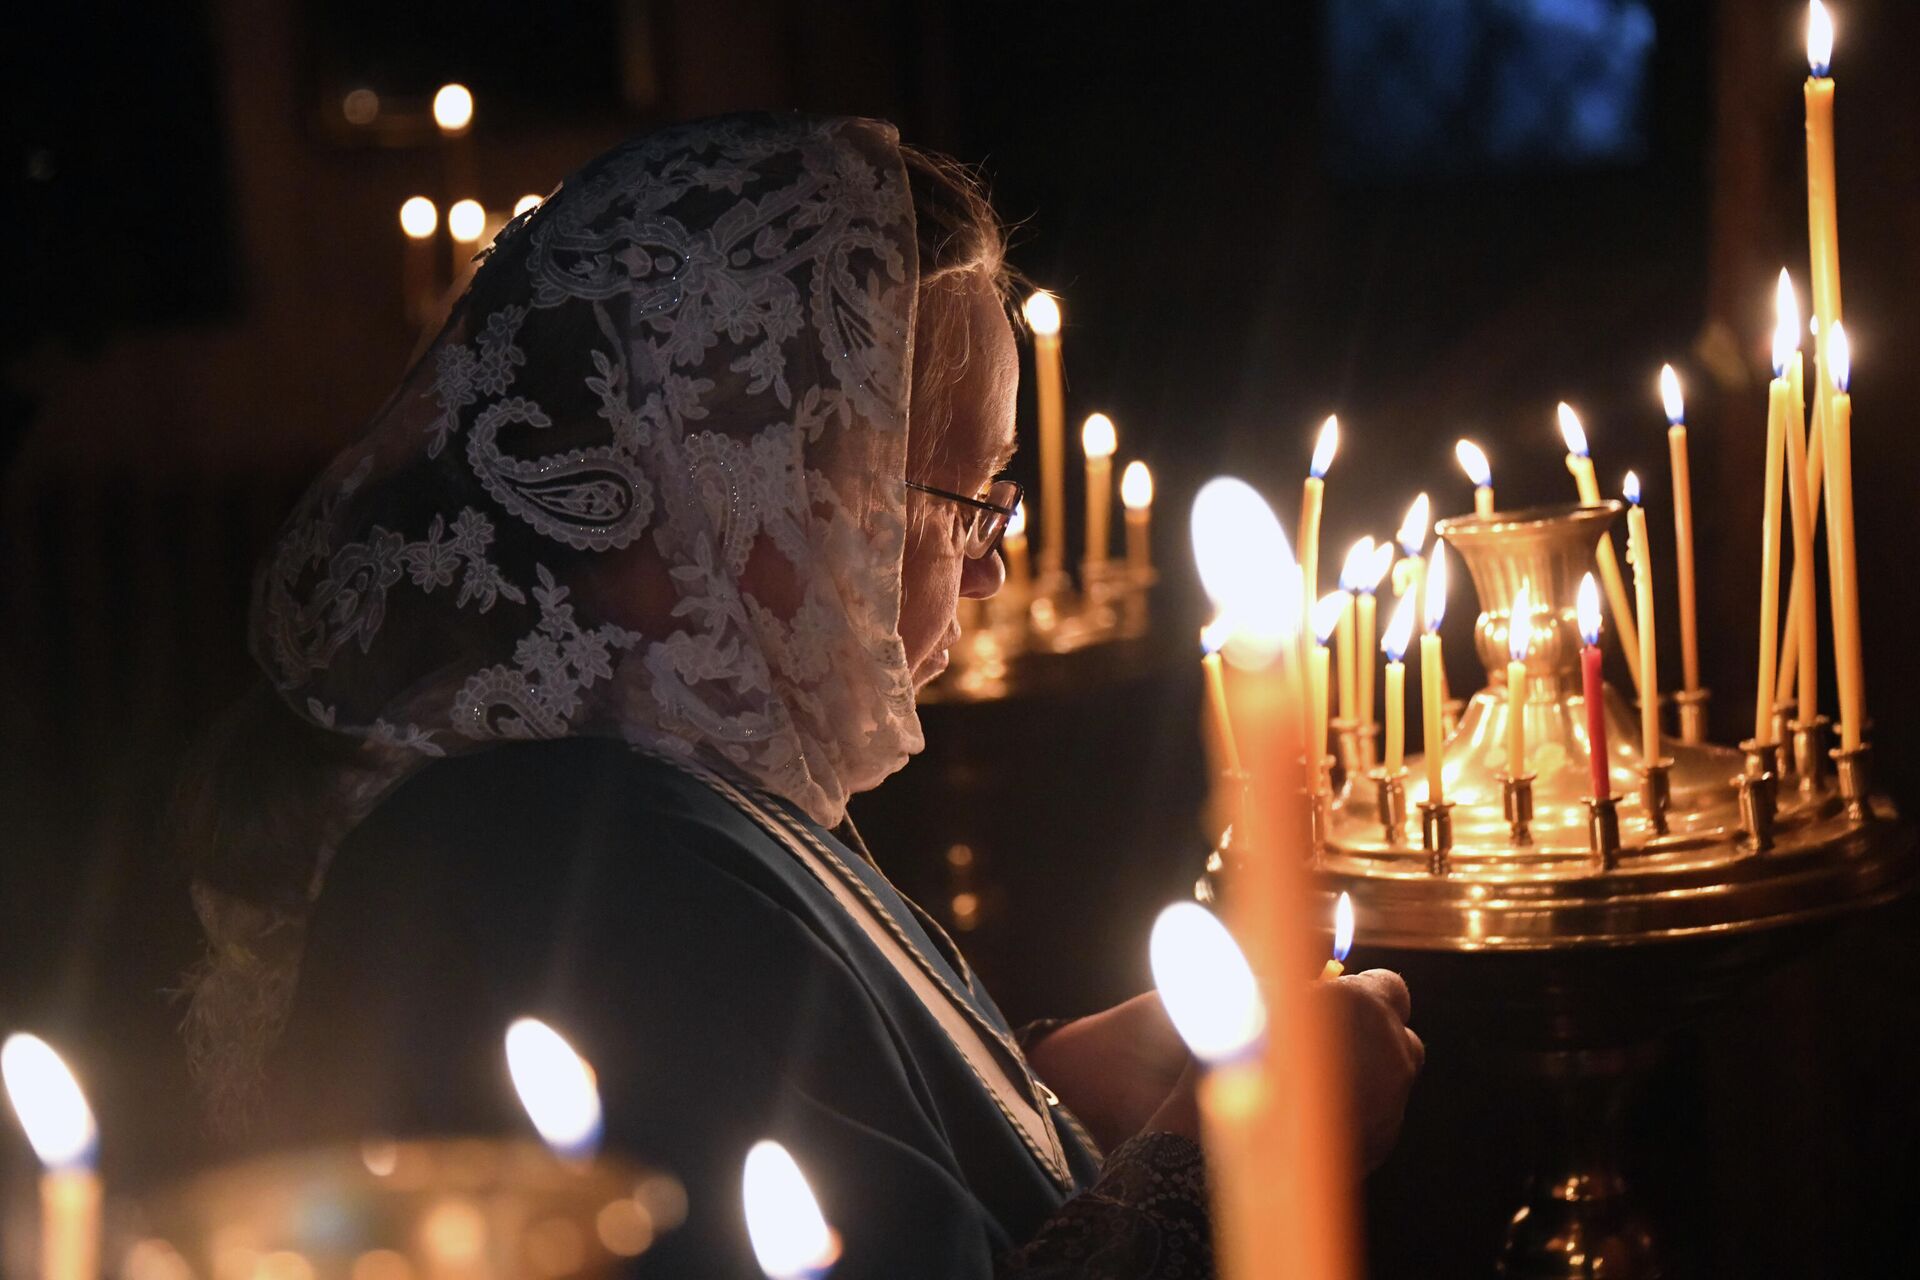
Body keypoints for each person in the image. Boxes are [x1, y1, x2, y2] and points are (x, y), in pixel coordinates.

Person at [175, 113, 1422, 1277]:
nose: (991, 564)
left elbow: (845, 1155)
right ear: (750, 493)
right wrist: (1231, 1154)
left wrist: (1055, 1086)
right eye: (968, 495)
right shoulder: (581, 871)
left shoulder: (655, 783)